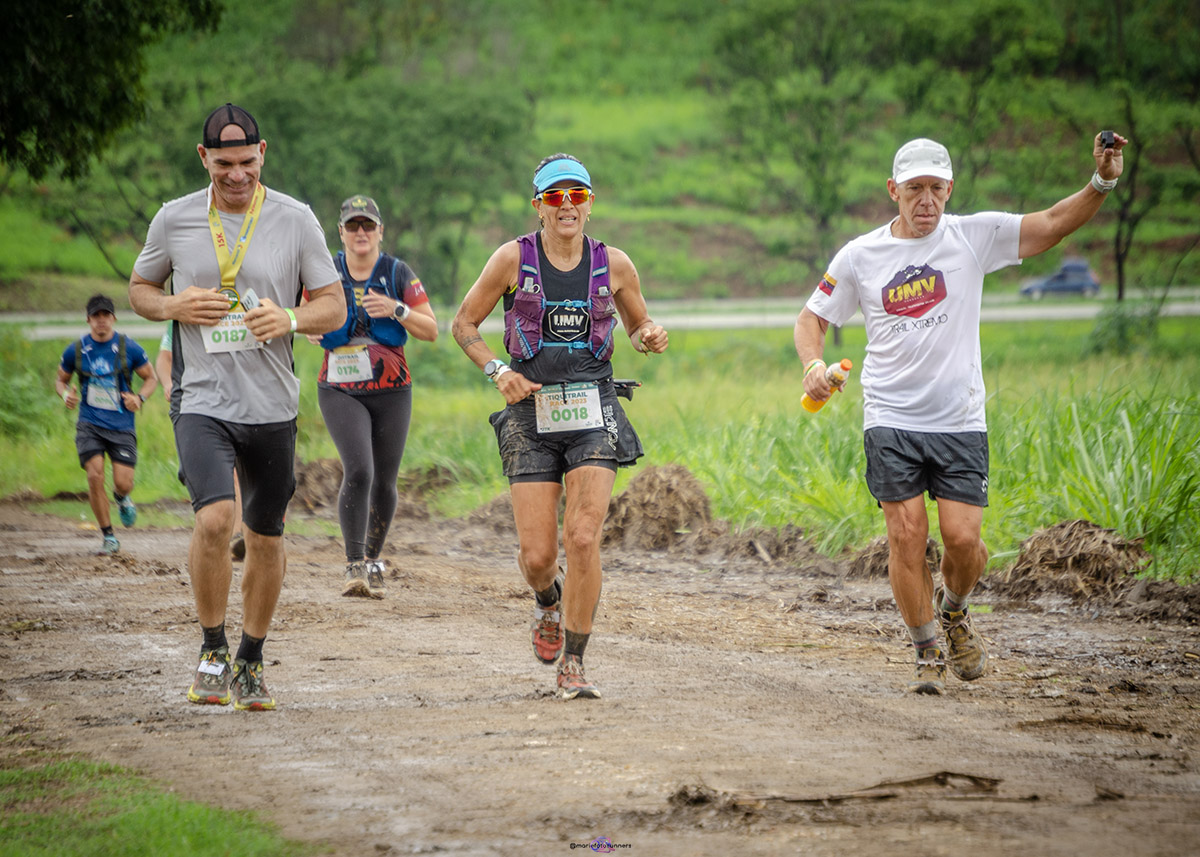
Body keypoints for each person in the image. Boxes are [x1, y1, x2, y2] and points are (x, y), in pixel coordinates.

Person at [794, 133, 1127, 694]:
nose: (926, 200)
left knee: (965, 544)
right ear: (893, 190)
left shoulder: (974, 236)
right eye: (915, 189)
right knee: (905, 535)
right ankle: (926, 648)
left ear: (950, 189)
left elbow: (1052, 223)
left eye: (936, 189)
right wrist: (813, 365)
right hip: (890, 415)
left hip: (959, 420)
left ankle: (953, 610)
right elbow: (812, 318)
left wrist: (1103, 181)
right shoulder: (860, 255)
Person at [129, 103, 345, 712]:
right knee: (216, 519)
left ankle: (250, 660)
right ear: (204, 159)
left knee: (267, 534)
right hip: (201, 398)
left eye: (247, 162)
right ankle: (212, 649)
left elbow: (333, 304)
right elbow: (141, 289)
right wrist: (174, 307)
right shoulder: (173, 220)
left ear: (263, 154)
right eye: (223, 163)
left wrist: (294, 318)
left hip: (272, 404)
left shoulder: (295, 220)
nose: (236, 175)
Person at [452, 154, 668, 700]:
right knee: (539, 558)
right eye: (555, 197)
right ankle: (549, 600)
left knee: (584, 535)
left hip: (594, 407)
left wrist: (648, 335)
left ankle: (574, 660)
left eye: (576, 195)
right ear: (538, 206)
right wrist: (497, 370)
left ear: (591, 202)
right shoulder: (510, 259)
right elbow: (464, 324)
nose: (566, 205)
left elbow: (639, 323)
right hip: (530, 412)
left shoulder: (614, 264)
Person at [310, 194, 438, 598]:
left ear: (380, 231)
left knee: (384, 480)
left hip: (392, 388)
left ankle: (371, 558)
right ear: (341, 233)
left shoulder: (397, 272)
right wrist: (308, 324)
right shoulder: (324, 271)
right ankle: (353, 563)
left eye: (368, 226)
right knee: (359, 470)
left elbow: (431, 329)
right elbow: (299, 312)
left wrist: (396, 309)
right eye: (353, 226)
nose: (361, 233)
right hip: (339, 388)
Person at [55, 294, 158, 555]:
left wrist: (139, 398)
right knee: (94, 475)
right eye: (96, 316)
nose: (101, 321)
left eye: (106, 315)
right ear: (88, 319)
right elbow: (61, 380)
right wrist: (66, 394)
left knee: (123, 482)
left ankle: (122, 498)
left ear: (113, 318)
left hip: (121, 424)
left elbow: (151, 378)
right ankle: (108, 536)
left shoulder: (129, 348)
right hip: (89, 423)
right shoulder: (76, 350)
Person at [157, 325, 245, 561]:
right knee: (207, 474)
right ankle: (220, 531)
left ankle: (237, 536)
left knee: (235, 472)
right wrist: (168, 383)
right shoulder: (184, 317)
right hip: (197, 406)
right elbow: (164, 358)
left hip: (238, 402)